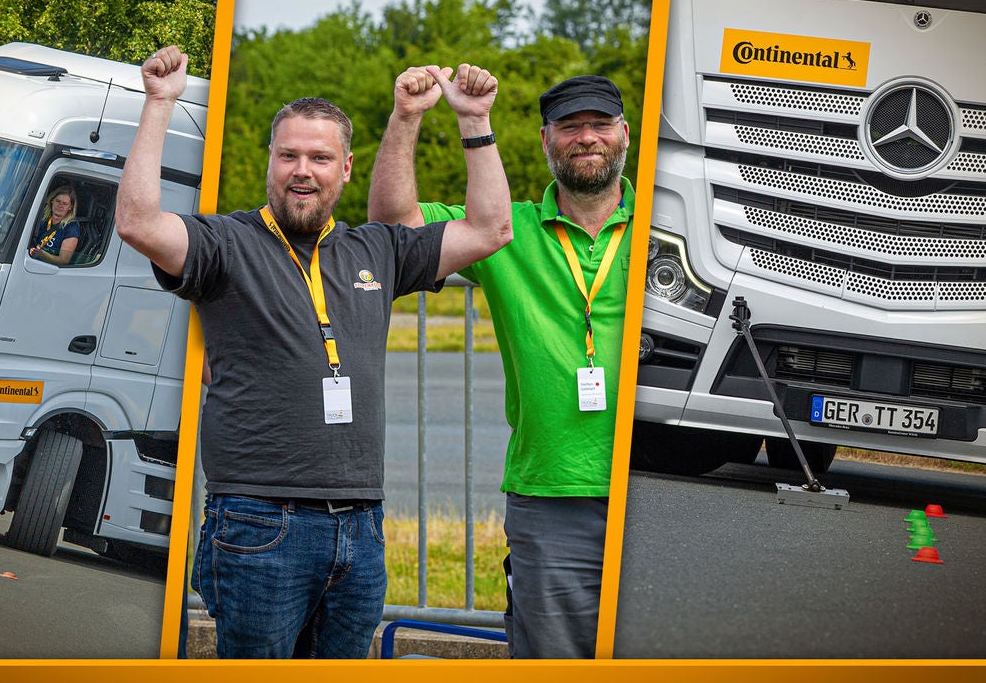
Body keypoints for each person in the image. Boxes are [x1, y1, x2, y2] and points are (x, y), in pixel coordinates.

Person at [115, 46, 512, 659]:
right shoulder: (225, 244)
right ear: (269, 162)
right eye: (289, 155)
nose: (303, 170)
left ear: (346, 168)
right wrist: (159, 103)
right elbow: (140, 223)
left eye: (320, 158)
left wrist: (473, 120)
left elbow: (490, 229)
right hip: (258, 522)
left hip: (360, 526)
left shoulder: (375, 250)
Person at [369, 73, 634, 659]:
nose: (585, 138)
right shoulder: (503, 229)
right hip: (552, 496)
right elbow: (395, 228)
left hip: (660, 488)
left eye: (598, 125)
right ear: (545, 140)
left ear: (625, 134)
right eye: (570, 127)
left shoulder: (669, 229)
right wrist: (410, 116)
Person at [28, 185, 80, 265]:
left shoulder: (72, 228)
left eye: (65, 204)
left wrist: (42, 254)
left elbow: (64, 260)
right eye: (58, 201)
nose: (60, 206)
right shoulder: (41, 219)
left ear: (70, 207)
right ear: (52, 201)